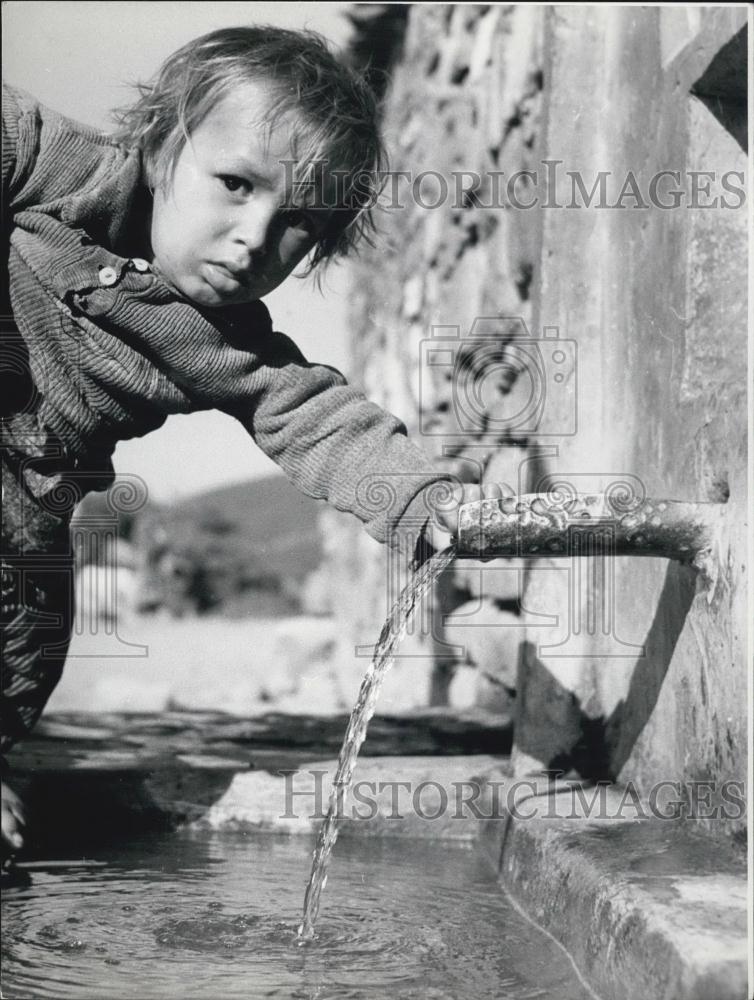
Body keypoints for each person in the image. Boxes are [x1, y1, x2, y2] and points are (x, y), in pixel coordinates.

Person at [1, 26, 502, 856]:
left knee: (25, 644)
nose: (252, 237)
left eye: (299, 222)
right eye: (235, 184)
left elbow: (318, 419)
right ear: (160, 150)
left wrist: (423, 503)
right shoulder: (65, 172)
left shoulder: (227, 345)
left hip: (24, 530)